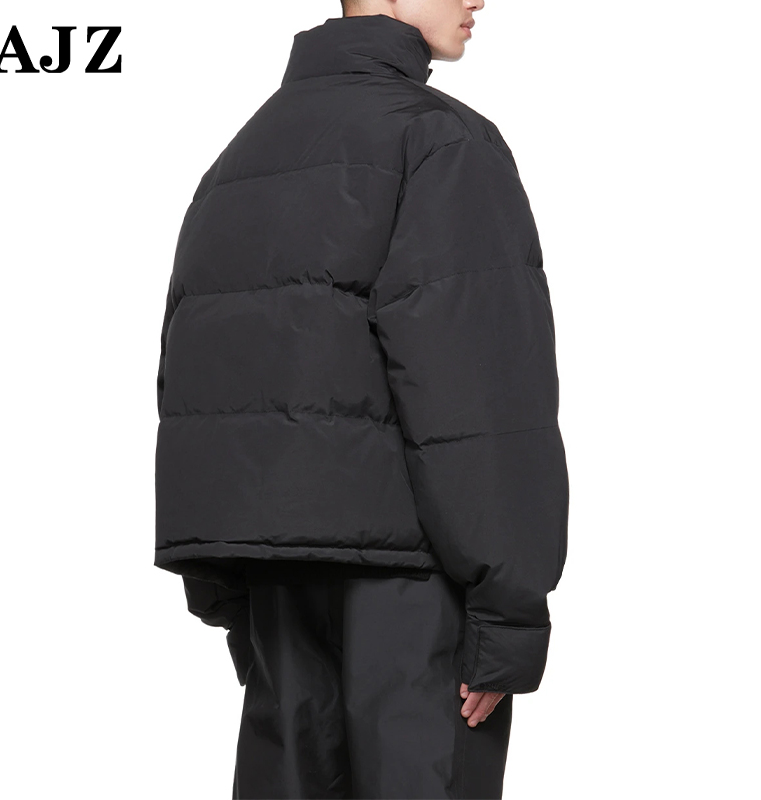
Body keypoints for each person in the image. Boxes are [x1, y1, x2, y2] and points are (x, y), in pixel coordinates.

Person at [154, 1, 569, 797]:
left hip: (276, 583)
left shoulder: (244, 151)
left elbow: (192, 365)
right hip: (413, 586)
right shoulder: (440, 140)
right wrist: (508, 609)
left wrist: (226, 587)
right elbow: (482, 391)